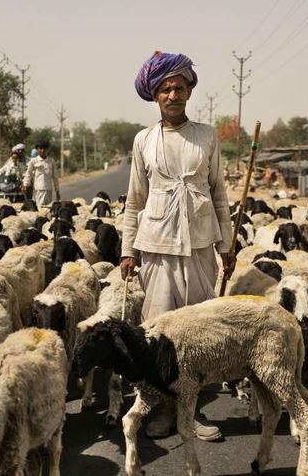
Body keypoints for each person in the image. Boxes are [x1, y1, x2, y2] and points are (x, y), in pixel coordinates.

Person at [121, 51, 235, 442]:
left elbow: (219, 192)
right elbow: (134, 199)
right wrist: (126, 250)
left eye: (179, 87)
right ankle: (164, 409)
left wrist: (227, 244)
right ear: (155, 96)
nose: (173, 94)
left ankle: (193, 412)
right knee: (161, 331)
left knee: (198, 333)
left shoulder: (207, 136)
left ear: (189, 92)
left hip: (201, 245)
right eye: (165, 89)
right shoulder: (144, 140)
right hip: (156, 246)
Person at [22, 140, 60, 206]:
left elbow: (55, 177)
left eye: (45, 148)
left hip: (49, 190)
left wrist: (57, 191)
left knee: (48, 209)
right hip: (38, 190)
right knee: (39, 209)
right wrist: (25, 185)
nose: (42, 150)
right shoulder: (33, 161)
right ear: (37, 149)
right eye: (40, 148)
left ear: (48, 149)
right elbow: (28, 174)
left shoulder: (51, 161)